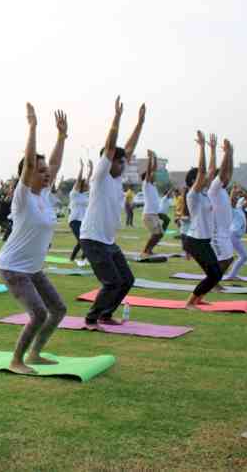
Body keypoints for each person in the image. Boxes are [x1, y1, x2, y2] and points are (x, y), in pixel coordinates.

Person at [0, 103, 67, 374]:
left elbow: (56, 163)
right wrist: (33, 127)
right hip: (14, 268)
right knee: (38, 313)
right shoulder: (23, 197)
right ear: (27, 174)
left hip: (33, 269)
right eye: (40, 170)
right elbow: (28, 163)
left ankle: (35, 353)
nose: (46, 172)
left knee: (58, 309)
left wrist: (61, 137)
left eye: (45, 170)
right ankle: (17, 360)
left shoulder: (44, 196)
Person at [80, 97, 145, 330]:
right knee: (111, 282)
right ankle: (91, 318)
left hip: (108, 241)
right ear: (109, 162)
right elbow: (111, 148)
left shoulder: (117, 179)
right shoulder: (101, 176)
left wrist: (140, 123)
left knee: (127, 280)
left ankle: (106, 315)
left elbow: (127, 149)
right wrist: (117, 118)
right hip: (93, 239)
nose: (124, 165)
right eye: (120, 162)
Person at [184, 131, 224, 309]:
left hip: (203, 240)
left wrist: (213, 149)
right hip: (196, 241)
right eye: (200, 179)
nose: (206, 180)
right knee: (214, 274)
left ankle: (198, 299)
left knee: (215, 273)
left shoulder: (204, 194)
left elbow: (210, 171)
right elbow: (202, 171)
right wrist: (201, 148)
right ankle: (190, 302)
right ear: (194, 181)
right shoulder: (193, 195)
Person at [208, 136, 235, 275]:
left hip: (224, 232)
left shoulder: (222, 189)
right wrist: (226, 154)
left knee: (228, 260)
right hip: (217, 234)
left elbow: (228, 171)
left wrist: (230, 153)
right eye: (224, 177)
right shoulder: (214, 188)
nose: (228, 178)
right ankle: (213, 282)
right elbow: (224, 171)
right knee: (224, 260)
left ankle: (214, 281)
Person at [140, 150, 164, 258]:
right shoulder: (146, 185)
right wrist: (150, 158)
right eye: (151, 175)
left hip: (153, 214)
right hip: (148, 214)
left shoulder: (152, 185)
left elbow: (153, 169)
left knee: (160, 234)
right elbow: (150, 170)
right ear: (147, 177)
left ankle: (149, 250)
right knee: (156, 234)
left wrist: (155, 156)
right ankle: (145, 250)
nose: (154, 175)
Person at [68, 159, 91, 261]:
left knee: (84, 240)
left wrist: (91, 169)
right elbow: (78, 180)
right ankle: (81, 258)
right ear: (81, 186)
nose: (88, 186)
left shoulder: (86, 195)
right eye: (86, 185)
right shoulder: (74, 194)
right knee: (82, 240)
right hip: (75, 220)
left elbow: (88, 180)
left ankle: (77, 259)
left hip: (84, 221)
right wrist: (81, 168)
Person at [227, 185, 247, 280]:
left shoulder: (239, 207)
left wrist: (243, 193)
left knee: (240, 256)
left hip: (236, 236)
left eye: (237, 198)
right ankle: (231, 275)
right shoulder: (231, 208)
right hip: (233, 235)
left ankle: (231, 275)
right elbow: (231, 199)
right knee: (244, 256)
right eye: (235, 198)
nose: (236, 199)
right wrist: (234, 190)